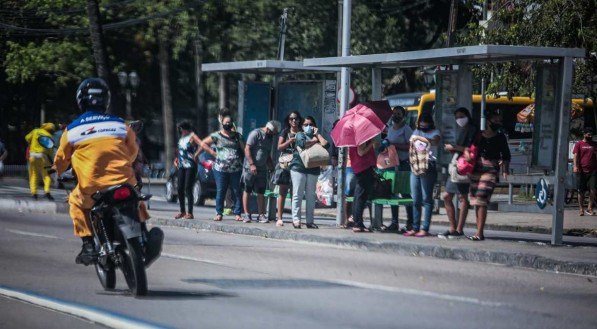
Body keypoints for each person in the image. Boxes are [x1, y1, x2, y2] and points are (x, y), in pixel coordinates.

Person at [53, 77, 155, 264]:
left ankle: (88, 246)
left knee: (75, 202)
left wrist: (57, 170)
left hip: (93, 187)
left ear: (81, 101)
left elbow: (61, 160)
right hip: (124, 181)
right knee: (136, 199)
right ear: (106, 100)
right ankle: (144, 236)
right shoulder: (120, 124)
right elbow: (132, 152)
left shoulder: (72, 130)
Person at [466, 112, 511, 241]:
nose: (498, 122)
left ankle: (479, 233)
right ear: (488, 120)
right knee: (476, 201)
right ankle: (478, 231)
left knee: (481, 199)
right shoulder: (478, 135)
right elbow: (469, 148)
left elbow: (506, 155)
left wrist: (505, 170)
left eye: (500, 120)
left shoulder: (500, 137)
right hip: (476, 169)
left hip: (491, 169)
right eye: (495, 119)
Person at [439, 107, 478, 239]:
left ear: (467, 116)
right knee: (447, 196)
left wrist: (454, 147)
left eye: (461, 116)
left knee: (462, 198)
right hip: (457, 166)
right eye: (456, 117)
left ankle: (459, 229)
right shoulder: (463, 130)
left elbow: (471, 150)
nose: (459, 119)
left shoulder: (472, 130)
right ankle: (453, 228)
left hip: (464, 167)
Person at [202, 111, 245, 222]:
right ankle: (219, 213)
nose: (228, 124)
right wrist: (213, 153)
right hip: (220, 169)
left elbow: (244, 149)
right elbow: (203, 143)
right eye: (226, 122)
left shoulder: (237, 136)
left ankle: (238, 213)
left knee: (236, 190)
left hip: (235, 168)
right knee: (221, 190)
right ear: (222, 123)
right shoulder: (217, 135)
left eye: (230, 122)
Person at [404, 113, 441, 237]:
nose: (423, 125)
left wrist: (420, 140)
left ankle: (425, 228)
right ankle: (415, 227)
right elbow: (411, 145)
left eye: (425, 122)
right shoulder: (416, 131)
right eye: (421, 122)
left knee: (427, 198)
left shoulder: (435, 132)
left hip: (428, 165)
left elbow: (435, 141)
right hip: (415, 165)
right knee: (416, 198)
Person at [289, 116, 328, 229]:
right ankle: (296, 220)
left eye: (311, 124)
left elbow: (326, 145)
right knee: (298, 194)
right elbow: (302, 144)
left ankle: (310, 221)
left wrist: (318, 135)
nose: (308, 127)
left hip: (313, 168)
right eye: (306, 125)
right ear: (302, 126)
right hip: (298, 167)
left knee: (311, 196)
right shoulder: (300, 134)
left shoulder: (317, 136)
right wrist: (315, 141)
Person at [381, 106, 413, 233]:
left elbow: (410, 146)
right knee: (392, 192)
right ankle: (394, 222)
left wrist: (395, 146)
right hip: (391, 163)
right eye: (394, 113)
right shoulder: (390, 129)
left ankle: (410, 222)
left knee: (405, 193)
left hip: (403, 163)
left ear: (403, 115)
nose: (395, 115)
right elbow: (389, 140)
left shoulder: (407, 129)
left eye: (398, 113)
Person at [241, 120, 280, 223]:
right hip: (250, 168)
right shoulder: (255, 134)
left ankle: (261, 215)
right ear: (268, 129)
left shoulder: (270, 138)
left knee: (261, 192)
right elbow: (247, 149)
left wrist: (271, 167)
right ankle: (247, 214)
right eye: (273, 132)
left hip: (262, 169)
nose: (273, 135)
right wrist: (252, 164)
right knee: (247, 190)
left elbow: (267, 154)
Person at [273, 111, 302, 227]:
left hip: (299, 163)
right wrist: (289, 141)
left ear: (299, 119)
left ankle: (295, 218)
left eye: (296, 118)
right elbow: (279, 147)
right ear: (288, 121)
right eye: (291, 119)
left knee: (296, 192)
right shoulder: (285, 132)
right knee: (283, 191)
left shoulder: (302, 132)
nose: (294, 121)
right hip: (285, 164)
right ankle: (279, 218)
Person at [174, 120, 204, 220]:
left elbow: (202, 145)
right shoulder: (181, 138)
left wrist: (196, 154)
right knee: (179, 188)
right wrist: (177, 159)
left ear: (184, 129)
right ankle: (182, 211)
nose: (179, 131)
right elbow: (180, 151)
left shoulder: (192, 137)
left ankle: (190, 212)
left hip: (191, 165)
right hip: (182, 166)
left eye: (180, 129)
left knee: (188, 188)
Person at [350, 137, 379, 233]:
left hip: (360, 168)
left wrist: (372, 143)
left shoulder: (359, 137)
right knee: (360, 196)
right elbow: (361, 152)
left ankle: (358, 222)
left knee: (359, 196)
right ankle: (358, 223)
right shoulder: (362, 137)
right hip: (364, 168)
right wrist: (371, 143)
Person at [25, 122, 56, 200]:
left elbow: (27, 138)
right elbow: (50, 151)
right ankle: (47, 191)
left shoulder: (36, 131)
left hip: (33, 156)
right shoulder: (51, 137)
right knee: (46, 175)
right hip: (44, 157)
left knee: (34, 175)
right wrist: (52, 162)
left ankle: (34, 193)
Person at [573, 127, 597, 216]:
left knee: (593, 189)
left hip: (593, 170)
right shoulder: (579, 144)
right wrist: (575, 166)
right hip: (581, 170)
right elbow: (575, 155)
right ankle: (581, 209)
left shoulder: (594, 144)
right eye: (588, 134)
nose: (590, 135)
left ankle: (589, 208)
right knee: (581, 190)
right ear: (584, 134)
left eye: (591, 134)